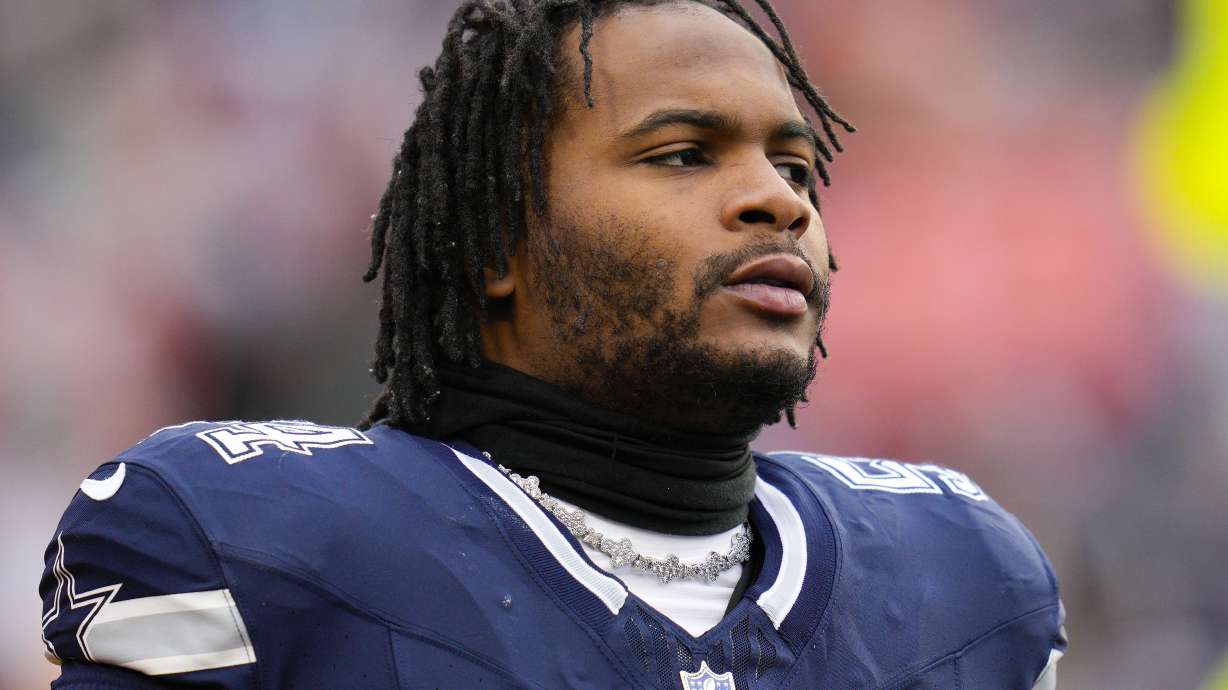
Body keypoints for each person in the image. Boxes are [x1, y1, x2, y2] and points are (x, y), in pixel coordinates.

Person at [38, 0, 1066, 688]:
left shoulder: (964, 579)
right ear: (496, 239)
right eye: (681, 154)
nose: (775, 201)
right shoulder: (252, 544)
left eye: (797, 168)